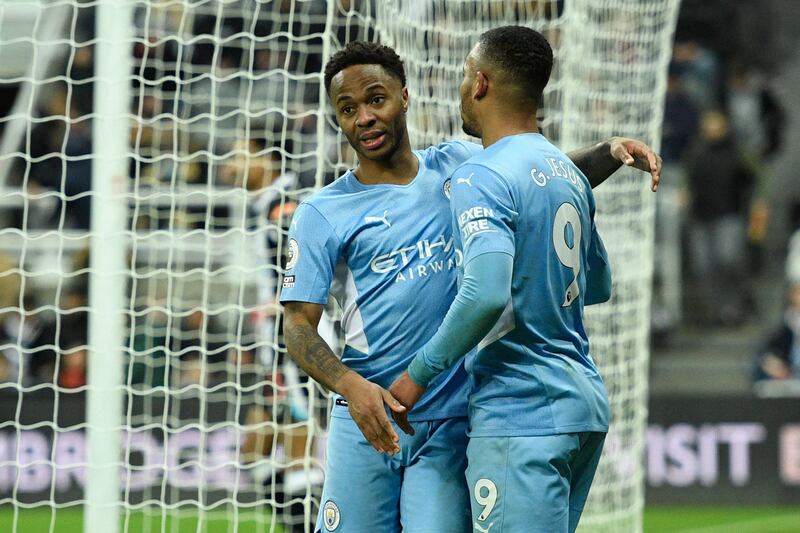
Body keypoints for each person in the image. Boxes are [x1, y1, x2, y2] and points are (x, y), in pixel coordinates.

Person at [280, 40, 660, 533]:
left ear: (405, 96)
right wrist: (352, 387)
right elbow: (297, 327)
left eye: (376, 100)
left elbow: (530, 178)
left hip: (448, 421)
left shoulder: (461, 165)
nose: (364, 118)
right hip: (365, 421)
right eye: (347, 109)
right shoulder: (321, 213)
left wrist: (607, 154)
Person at [389, 27, 622, 533]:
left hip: (521, 409)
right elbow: (598, 283)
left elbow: (485, 292)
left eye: (463, 76)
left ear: (481, 83)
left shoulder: (482, 175)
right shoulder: (567, 172)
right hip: (580, 404)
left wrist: (416, 376)